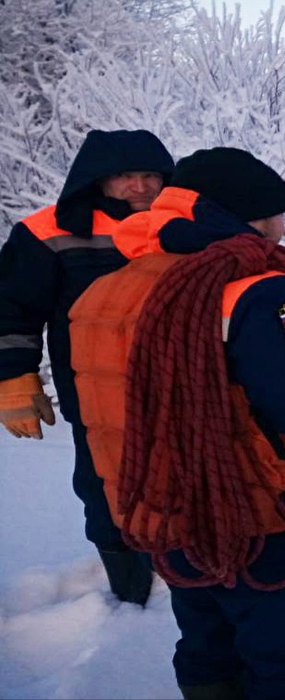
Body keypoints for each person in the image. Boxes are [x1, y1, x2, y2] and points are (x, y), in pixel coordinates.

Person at [68, 147, 285, 699]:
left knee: (208, 644)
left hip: (169, 513)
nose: (283, 230)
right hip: (261, 517)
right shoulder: (259, 289)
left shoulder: (106, 289)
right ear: (253, 214)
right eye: (279, 214)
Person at [0, 128, 174, 605]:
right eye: (124, 177)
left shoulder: (184, 227)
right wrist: (14, 378)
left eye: (149, 175)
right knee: (105, 492)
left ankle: (184, 581)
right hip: (96, 399)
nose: (139, 187)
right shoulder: (48, 232)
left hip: (181, 395)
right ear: (97, 180)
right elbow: (12, 309)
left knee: (185, 486)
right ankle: (134, 594)